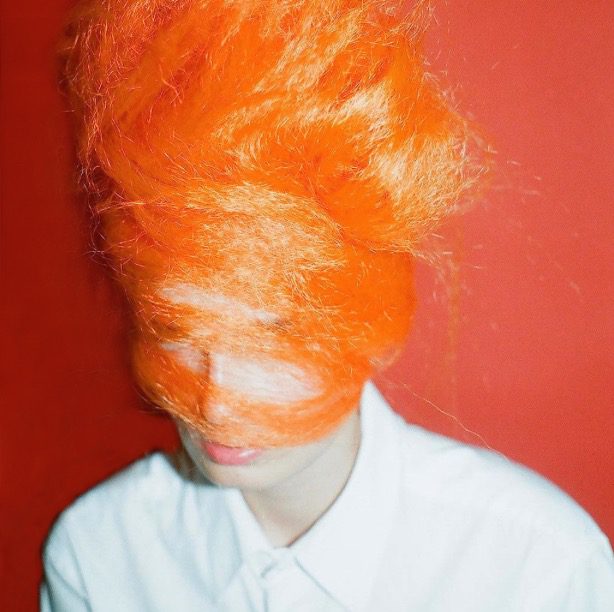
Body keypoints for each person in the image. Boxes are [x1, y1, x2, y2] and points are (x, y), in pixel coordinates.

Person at [41, 1, 614, 610]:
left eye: (272, 337)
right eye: (178, 328)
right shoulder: (100, 552)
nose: (216, 398)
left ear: (364, 321)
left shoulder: (536, 569)